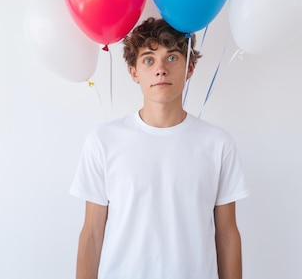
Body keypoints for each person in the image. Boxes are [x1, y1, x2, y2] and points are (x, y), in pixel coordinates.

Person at [69, 17, 250, 279]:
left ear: (190, 68)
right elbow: (92, 234)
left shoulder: (218, 144)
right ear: (134, 72)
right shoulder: (103, 141)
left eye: (173, 57)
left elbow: (227, 234)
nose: (161, 69)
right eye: (149, 59)